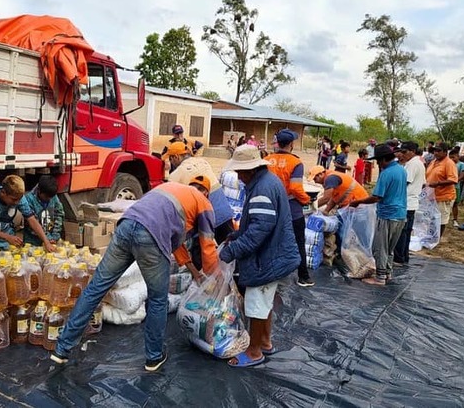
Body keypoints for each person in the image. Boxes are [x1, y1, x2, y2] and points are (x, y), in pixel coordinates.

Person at [52, 180, 219, 371]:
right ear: (206, 192)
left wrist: (195, 273)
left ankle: (61, 349)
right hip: (150, 235)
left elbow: (178, 245)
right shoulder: (204, 203)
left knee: (95, 288)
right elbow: (208, 248)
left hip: (126, 225)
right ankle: (154, 357)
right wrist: (214, 281)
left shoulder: (171, 189)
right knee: (157, 299)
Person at [219, 145, 300, 368]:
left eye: (239, 172)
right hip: (274, 254)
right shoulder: (267, 182)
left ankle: (254, 352)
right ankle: (264, 342)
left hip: (268, 259)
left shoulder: (262, 189)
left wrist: (230, 252)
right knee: (264, 303)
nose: (238, 176)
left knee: (255, 305)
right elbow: (257, 223)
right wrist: (236, 235)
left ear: (250, 170)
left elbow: (258, 232)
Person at [165, 141, 234, 269]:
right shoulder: (203, 162)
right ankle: (236, 282)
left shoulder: (175, 176)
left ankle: (205, 282)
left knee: (201, 254)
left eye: (171, 158)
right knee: (230, 248)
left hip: (202, 215)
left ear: (176, 157)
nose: (170, 163)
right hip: (223, 210)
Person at [349, 144, 407, 286]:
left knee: (380, 246)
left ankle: (380, 277)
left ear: (383, 160)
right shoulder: (401, 170)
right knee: (390, 247)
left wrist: (358, 202)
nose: (378, 164)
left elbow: (377, 197)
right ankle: (387, 272)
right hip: (400, 214)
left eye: (378, 161)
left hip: (387, 214)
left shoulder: (386, 173)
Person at [265, 129, 314, 287]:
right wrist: (306, 200)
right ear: (291, 144)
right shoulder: (296, 163)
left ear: (277, 143)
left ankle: (269, 274)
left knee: (270, 241)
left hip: (271, 207)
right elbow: (295, 188)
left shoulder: (267, 160)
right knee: (298, 242)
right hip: (291, 209)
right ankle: (303, 277)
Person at [0, 175, 55, 253]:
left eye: (19, 199)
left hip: (7, 233)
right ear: (3, 193)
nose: (17, 202)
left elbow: (31, 219)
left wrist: (46, 241)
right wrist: (7, 237)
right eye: (14, 199)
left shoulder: (19, 197)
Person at [393, 142, 426, 264]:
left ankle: (399, 258)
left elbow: (404, 182)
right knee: (405, 232)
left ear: (412, 151)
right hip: (411, 202)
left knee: (401, 233)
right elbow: (422, 183)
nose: (402, 154)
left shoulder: (413, 164)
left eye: (405, 152)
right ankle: (404, 257)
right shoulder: (417, 163)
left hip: (406, 203)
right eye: (401, 152)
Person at [425, 142, 458, 236]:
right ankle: (431, 236)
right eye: (435, 150)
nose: (436, 153)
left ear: (445, 152)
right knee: (432, 217)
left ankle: (437, 238)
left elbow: (453, 180)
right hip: (432, 195)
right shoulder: (433, 161)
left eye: (439, 151)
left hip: (444, 196)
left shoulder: (449, 163)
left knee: (441, 219)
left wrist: (438, 183)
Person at [23, 175, 65, 246]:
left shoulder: (52, 196)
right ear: (39, 191)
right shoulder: (29, 199)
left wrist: (55, 235)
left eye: (51, 197)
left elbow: (59, 214)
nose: (49, 199)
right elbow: (32, 223)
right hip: (33, 242)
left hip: (52, 239)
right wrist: (47, 238)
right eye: (46, 197)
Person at [449, 149, 464, 228]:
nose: (452, 159)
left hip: (456, 187)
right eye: (450, 158)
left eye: (453, 157)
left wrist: (455, 181)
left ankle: (455, 219)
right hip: (447, 187)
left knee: (455, 204)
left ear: (458, 156)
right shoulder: (449, 164)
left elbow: (462, 175)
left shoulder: (462, 164)